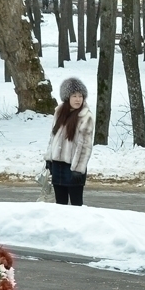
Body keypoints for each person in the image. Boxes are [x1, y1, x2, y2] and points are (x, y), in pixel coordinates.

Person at [45, 77, 94, 206]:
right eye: (74, 96)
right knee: (60, 204)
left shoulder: (85, 116)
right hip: (57, 166)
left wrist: (78, 168)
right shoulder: (59, 112)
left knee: (76, 205)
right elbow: (52, 138)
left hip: (73, 168)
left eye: (80, 96)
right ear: (67, 97)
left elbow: (85, 146)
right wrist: (49, 159)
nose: (78, 99)